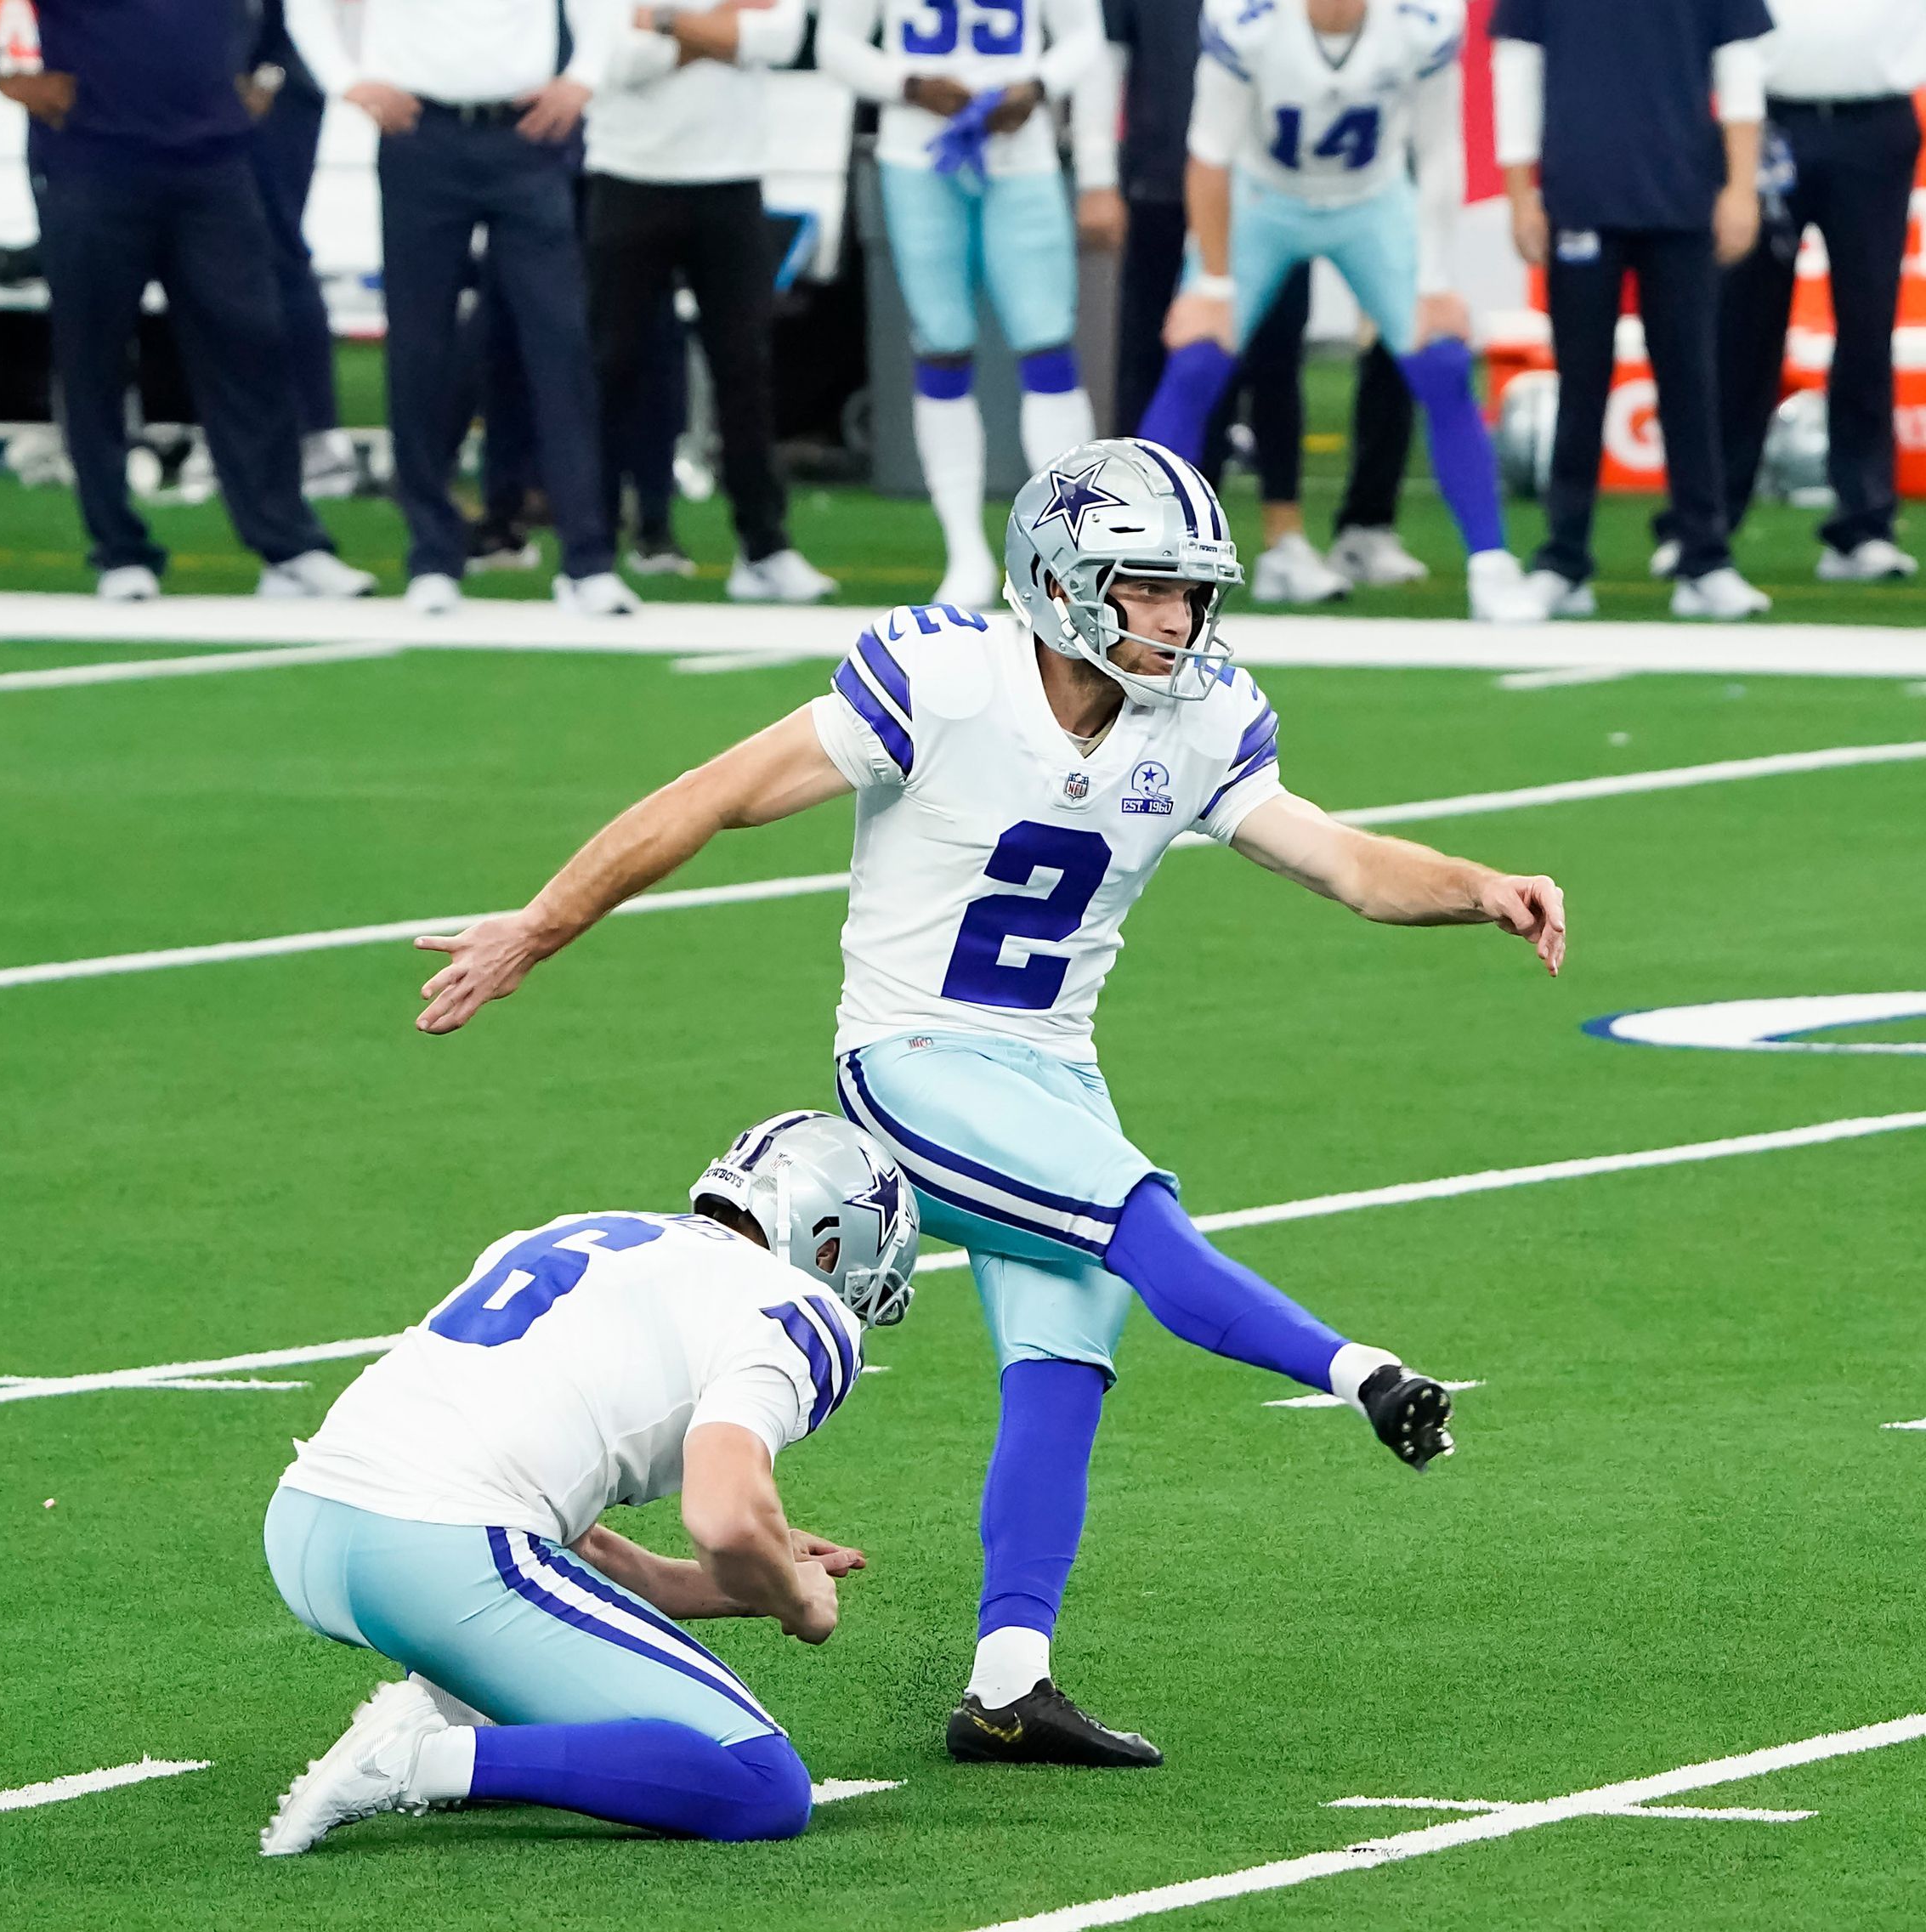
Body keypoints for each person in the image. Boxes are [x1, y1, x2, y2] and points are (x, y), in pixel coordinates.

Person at [408, 438, 1567, 1765]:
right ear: (1064, 580)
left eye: (1191, 593)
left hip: (1053, 1066)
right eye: (1147, 588)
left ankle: (1009, 1683)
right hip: (911, 1057)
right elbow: (715, 797)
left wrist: (1473, 882)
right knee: (1135, 1220)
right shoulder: (943, 679)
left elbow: (1344, 864)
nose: (1177, 620)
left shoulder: (1198, 717)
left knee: (1067, 1352)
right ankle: (1357, 1370)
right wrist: (539, 930)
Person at [258, 1113, 915, 1855]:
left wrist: (743, 1582)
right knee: (760, 1782)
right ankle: (419, 1755)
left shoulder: (592, 1231)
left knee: (525, 1573)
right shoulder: (800, 1306)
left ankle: (464, 1702)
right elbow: (726, 1517)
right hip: (440, 1553)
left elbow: (566, 1537)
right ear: (832, 1238)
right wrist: (796, 1601)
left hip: (310, 1528)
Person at [1137, 0, 1544, 622]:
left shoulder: (1423, 20)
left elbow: (1438, 149)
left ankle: (1491, 564)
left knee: (1442, 360)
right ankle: (1137, 561)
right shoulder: (1246, 20)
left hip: (1370, 199)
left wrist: (1434, 279)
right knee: (1197, 360)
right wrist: (1213, 286)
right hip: (1262, 197)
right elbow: (1210, 155)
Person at [0, 0, 374, 603]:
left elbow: (273, 11)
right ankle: (119, 549)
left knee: (252, 341)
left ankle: (288, 546)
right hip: (90, 155)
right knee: (94, 352)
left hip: (213, 157)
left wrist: (266, 70)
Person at [285, 0, 638, 618]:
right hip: (420, 130)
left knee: (561, 344)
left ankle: (587, 559)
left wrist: (583, 76)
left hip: (525, 132)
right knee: (419, 344)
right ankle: (431, 554)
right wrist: (345, 81)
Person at [1098, 0, 1424, 603]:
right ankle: (1143, 542)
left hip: (1258, 187)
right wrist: (1097, 175)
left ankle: (1283, 540)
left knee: (1276, 359)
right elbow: (1108, 51)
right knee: (1162, 364)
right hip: (1162, 172)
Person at [814, 0, 1115, 609]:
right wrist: (908, 83)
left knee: (1047, 347)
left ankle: (1069, 550)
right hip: (918, 158)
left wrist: (1037, 86)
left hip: (1021, 158)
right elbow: (834, 44)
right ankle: (965, 551)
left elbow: (1085, 38)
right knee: (942, 349)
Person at [1492, 0, 1776, 622]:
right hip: (1580, 190)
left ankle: (1704, 558)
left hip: (1680, 194)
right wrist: (1521, 195)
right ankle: (1563, 560)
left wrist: (1739, 185)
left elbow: (1739, 66)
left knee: (1690, 381)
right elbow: (1515, 69)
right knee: (1581, 381)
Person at [586, 1, 836, 603]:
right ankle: (589, 551)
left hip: (731, 178)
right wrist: (723, 28)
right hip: (628, 173)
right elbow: (617, 59)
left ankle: (764, 548)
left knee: (744, 367)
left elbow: (781, 38)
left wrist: (667, 22)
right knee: (611, 365)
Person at [1716, 0, 1926, 585]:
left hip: (1877, 120)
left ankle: (1863, 525)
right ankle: (1707, 522)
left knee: (1867, 324)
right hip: (1766, 118)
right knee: (1741, 326)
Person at [248, 0, 364, 498]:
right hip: (213, 71)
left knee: (276, 248)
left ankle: (318, 438)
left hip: (277, 77)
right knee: (220, 260)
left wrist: (271, 68)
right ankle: (246, 433)